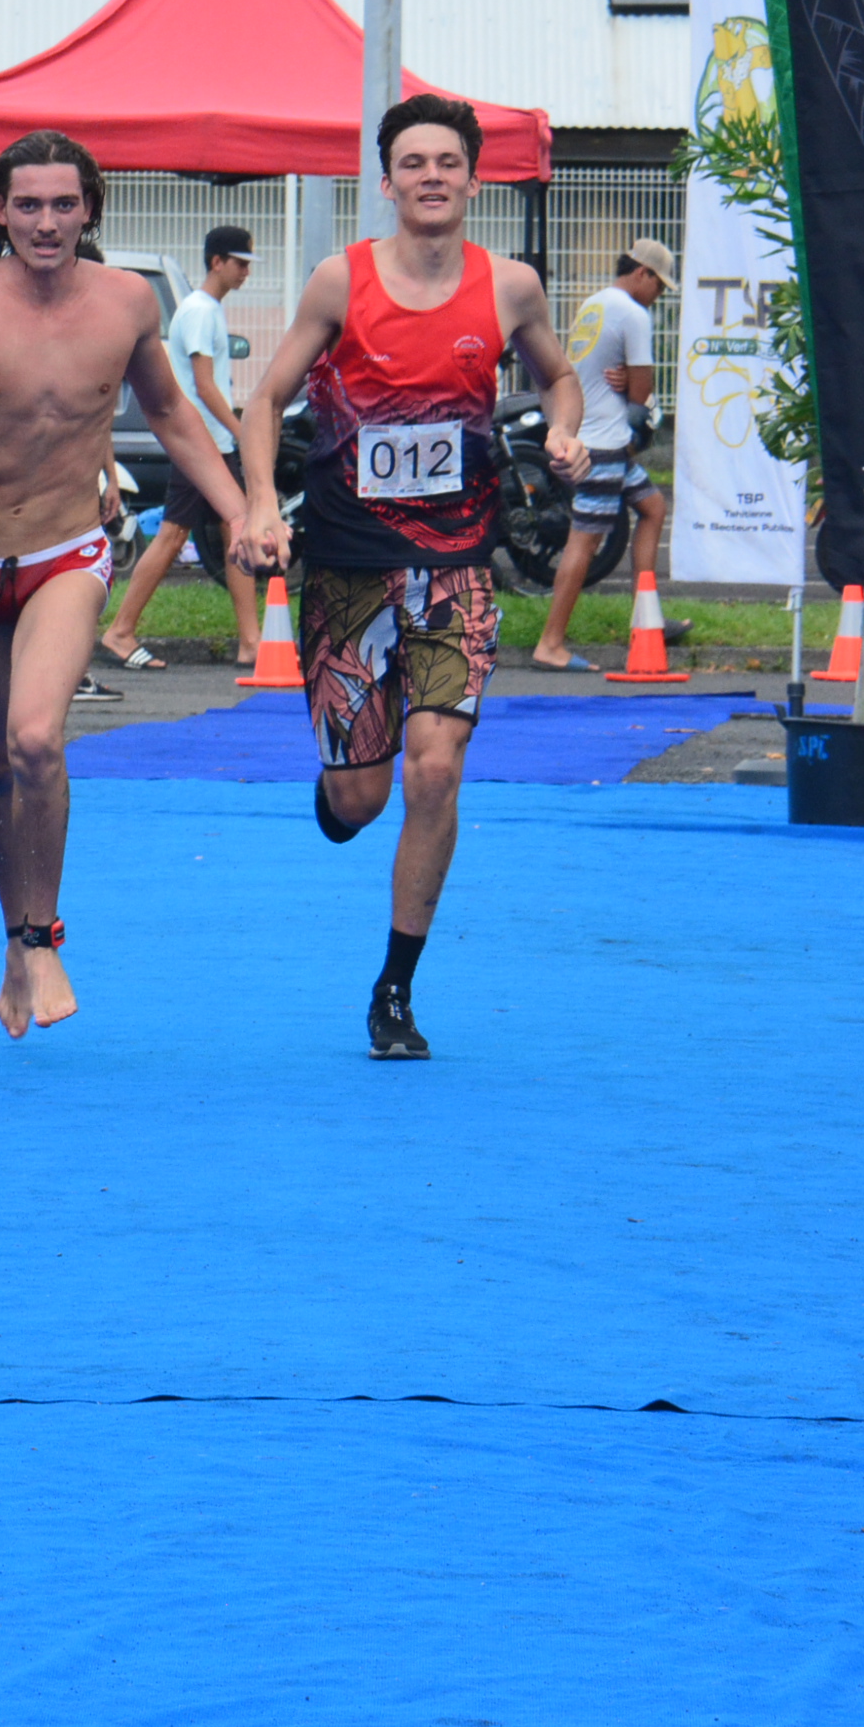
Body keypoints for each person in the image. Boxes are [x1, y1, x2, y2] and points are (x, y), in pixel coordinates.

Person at [0, 130, 277, 1039]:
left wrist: (243, 509)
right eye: (27, 204)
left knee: (37, 739)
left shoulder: (127, 303)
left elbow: (170, 413)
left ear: (91, 207)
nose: (46, 222)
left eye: (63, 204)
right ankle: (14, 943)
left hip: (67, 554)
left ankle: (44, 937)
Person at [241, 94, 588, 1059]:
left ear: (473, 178)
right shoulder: (339, 283)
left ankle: (394, 991)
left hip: (456, 565)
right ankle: (339, 789)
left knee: (436, 771)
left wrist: (565, 428)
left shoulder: (508, 286)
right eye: (413, 162)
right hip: (350, 568)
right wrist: (263, 507)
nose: (432, 176)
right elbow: (264, 401)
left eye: (448, 162)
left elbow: (559, 377)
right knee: (361, 801)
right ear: (386, 180)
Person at [97, 224, 264, 672]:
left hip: (215, 441)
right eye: (240, 262)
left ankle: (252, 642)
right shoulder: (199, 312)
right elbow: (204, 387)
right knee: (173, 535)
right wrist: (241, 430)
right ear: (217, 262)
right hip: (202, 444)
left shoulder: (208, 309)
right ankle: (120, 630)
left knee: (237, 534)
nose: (246, 271)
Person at [533, 240, 675, 670]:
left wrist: (626, 380)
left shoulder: (595, 303)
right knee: (585, 541)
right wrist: (631, 383)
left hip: (589, 431)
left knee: (652, 507)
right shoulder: (634, 313)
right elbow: (641, 395)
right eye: (661, 285)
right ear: (643, 274)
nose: (661, 295)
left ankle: (646, 614)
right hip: (603, 443)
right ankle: (550, 643)